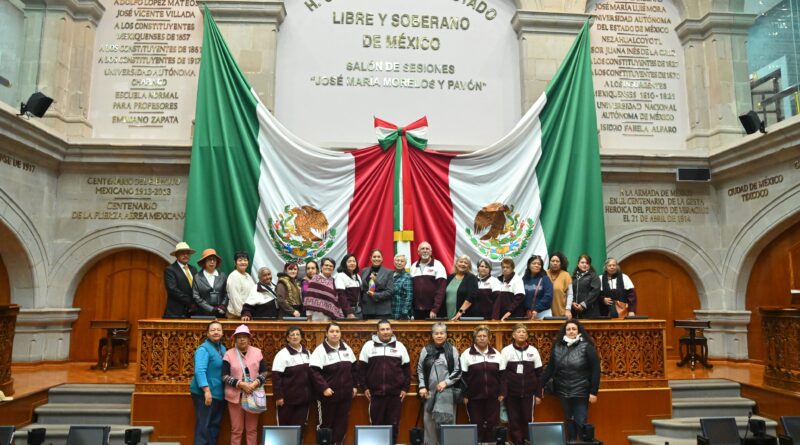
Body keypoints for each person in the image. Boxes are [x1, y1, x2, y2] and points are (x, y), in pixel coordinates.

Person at [541, 320, 600, 441]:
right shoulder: (557, 347)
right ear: (565, 331)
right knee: (569, 419)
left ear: (579, 331)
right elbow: (550, 368)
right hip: (563, 390)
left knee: (580, 420)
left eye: (574, 329)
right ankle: (572, 441)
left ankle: (583, 442)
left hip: (581, 391)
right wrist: (540, 385)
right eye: (568, 329)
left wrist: (594, 392)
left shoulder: (587, 346)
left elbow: (596, 370)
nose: (571, 331)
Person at [358, 320, 411, 444]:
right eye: (382, 329)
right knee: (376, 428)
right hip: (375, 396)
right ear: (377, 331)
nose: (385, 332)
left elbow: (407, 371)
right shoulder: (368, 346)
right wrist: (364, 388)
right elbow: (361, 371)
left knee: (394, 427)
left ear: (391, 330)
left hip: (395, 396)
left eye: (388, 329)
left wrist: (405, 389)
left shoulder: (400, 346)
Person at [309, 322, 358, 445]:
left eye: (337, 331)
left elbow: (354, 369)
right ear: (327, 333)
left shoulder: (347, 348)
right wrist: (324, 388)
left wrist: (354, 386)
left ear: (340, 334)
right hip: (328, 396)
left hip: (345, 395)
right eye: (332, 331)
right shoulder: (320, 350)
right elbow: (314, 372)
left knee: (342, 423)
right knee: (326, 425)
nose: (335, 334)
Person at [417, 322, 461, 445]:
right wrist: (422, 386)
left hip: (447, 393)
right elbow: (420, 369)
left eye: (442, 333)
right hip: (429, 393)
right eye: (436, 333)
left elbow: (458, 371)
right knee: (429, 422)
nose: (439, 335)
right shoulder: (425, 350)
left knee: (447, 422)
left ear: (446, 334)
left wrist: (446, 383)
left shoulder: (452, 350)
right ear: (432, 335)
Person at [222, 324, 267, 445]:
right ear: (235, 339)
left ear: (249, 338)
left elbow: (264, 372)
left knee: (252, 430)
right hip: (234, 397)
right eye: (239, 337)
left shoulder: (258, 352)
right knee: (236, 430)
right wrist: (240, 384)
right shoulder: (228, 354)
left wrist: (254, 384)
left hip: (253, 395)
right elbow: (224, 376)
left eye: (245, 337)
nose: (242, 339)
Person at [460, 325, 505, 443]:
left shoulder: (496, 354)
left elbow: (502, 376)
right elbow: (463, 377)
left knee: (492, 424)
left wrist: (502, 392)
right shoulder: (466, 354)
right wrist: (465, 395)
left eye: (484, 336)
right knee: (476, 424)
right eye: (479, 336)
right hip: (473, 397)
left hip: (493, 397)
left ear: (489, 338)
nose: (482, 338)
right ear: (475, 338)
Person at [501, 324, 544, 445]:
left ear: (527, 335)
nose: (521, 334)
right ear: (513, 335)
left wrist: (539, 394)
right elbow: (502, 375)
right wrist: (503, 393)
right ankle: (516, 442)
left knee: (528, 420)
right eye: (519, 332)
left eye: (524, 332)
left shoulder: (533, 351)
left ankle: (527, 441)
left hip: (529, 394)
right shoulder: (506, 351)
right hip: (511, 394)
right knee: (513, 420)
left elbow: (540, 375)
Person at [272, 326, 312, 441]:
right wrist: (279, 396)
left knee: (300, 428)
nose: (295, 337)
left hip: (304, 400)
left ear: (301, 337)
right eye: (292, 335)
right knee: (285, 429)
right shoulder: (282, 354)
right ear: (287, 338)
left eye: (297, 334)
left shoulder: (307, 353)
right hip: (287, 400)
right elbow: (276, 377)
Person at [189, 321, 226, 445]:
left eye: (218, 330)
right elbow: (199, 370)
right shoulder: (203, 349)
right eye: (212, 330)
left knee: (214, 425)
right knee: (203, 426)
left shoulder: (222, 348)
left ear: (222, 332)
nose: (216, 332)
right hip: (205, 394)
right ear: (207, 333)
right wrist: (206, 390)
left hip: (219, 393)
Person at [409, 241, 447, 319]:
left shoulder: (438, 265)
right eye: (422, 249)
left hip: (433, 311)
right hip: (417, 310)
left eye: (427, 249)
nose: (425, 250)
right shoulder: (413, 266)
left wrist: (435, 309)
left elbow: (441, 290)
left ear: (431, 252)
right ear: (418, 252)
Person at [163, 241, 198, 318]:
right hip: (176, 312)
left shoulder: (193, 269)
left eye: (187, 253)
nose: (186, 255)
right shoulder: (170, 269)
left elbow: (197, 287)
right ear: (176, 255)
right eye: (182, 253)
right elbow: (172, 289)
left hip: (192, 312)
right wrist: (190, 302)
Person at [192, 249, 228, 317]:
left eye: (214, 260)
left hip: (220, 313)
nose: (212, 262)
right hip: (202, 313)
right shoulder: (197, 277)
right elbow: (196, 296)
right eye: (209, 259)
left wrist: (222, 306)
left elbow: (227, 293)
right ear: (204, 262)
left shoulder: (223, 276)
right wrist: (211, 309)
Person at [360, 249, 394, 319]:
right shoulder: (364, 271)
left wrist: (374, 294)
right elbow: (363, 289)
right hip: (367, 309)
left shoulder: (389, 272)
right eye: (374, 257)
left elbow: (390, 292)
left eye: (379, 257)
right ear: (371, 258)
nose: (376, 259)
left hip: (382, 310)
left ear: (382, 258)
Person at [445, 255, 478, 319]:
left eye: (466, 263)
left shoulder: (472, 278)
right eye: (461, 262)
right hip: (447, 313)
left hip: (463, 316)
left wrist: (460, 313)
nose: (463, 264)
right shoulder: (449, 277)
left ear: (469, 266)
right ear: (456, 264)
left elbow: (471, 297)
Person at [226, 252, 256, 319]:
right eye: (240, 260)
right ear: (235, 262)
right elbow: (235, 298)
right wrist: (243, 314)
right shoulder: (234, 276)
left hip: (247, 313)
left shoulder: (247, 275)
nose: (243, 262)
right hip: (236, 315)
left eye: (245, 260)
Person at [523, 255, 554, 320]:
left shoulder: (545, 279)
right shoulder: (524, 279)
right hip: (528, 313)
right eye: (534, 263)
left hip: (543, 313)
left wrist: (537, 309)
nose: (537, 265)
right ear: (529, 265)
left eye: (539, 264)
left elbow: (548, 296)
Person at [571, 255, 601, 319]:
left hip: (590, 312)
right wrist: (572, 302)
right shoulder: (573, 277)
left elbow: (595, 292)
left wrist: (583, 304)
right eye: (582, 262)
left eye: (587, 263)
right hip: (575, 312)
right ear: (578, 264)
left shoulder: (594, 276)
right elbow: (570, 292)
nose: (584, 264)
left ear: (589, 265)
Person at [335, 253, 363, 318]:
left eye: (354, 261)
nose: (352, 263)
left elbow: (360, 294)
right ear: (345, 263)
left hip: (358, 311)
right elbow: (341, 296)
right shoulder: (340, 276)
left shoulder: (357, 276)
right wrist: (348, 312)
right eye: (349, 261)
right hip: (346, 312)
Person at [547, 252, 573, 318]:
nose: (555, 263)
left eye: (557, 261)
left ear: (561, 263)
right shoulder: (544, 274)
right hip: (544, 312)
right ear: (549, 262)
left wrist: (568, 309)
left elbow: (570, 294)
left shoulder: (566, 275)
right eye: (553, 261)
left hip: (561, 313)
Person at [391, 254, 413, 320]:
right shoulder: (390, 274)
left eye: (402, 261)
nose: (399, 263)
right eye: (397, 260)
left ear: (405, 264)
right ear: (394, 262)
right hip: (389, 311)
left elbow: (409, 296)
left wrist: (405, 312)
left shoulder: (407, 276)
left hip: (400, 313)